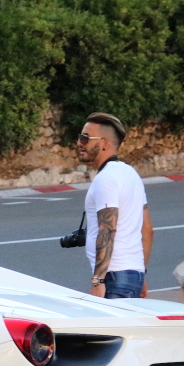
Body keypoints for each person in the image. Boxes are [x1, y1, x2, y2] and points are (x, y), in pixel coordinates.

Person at [75, 113, 153, 299]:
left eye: (85, 138)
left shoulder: (106, 179)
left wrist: (97, 281)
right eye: (80, 137)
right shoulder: (130, 174)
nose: (79, 143)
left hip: (114, 278)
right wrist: (140, 274)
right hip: (132, 274)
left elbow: (107, 229)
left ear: (104, 143)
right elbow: (147, 229)